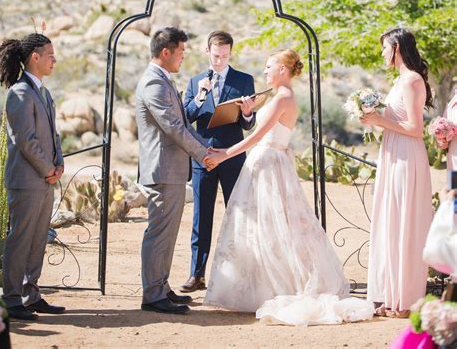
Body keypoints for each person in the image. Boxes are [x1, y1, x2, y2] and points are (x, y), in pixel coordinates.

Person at [204, 50, 374, 325]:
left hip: (268, 162)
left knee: (273, 227)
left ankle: (278, 286)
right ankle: (261, 287)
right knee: (265, 227)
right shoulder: (280, 96)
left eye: (269, 66)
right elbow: (260, 132)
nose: (265, 71)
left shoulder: (283, 97)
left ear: (283, 69)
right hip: (269, 160)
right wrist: (248, 112)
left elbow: (258, 137)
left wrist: (224, 154)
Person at [135, 26, 216, 315]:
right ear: (166, 52)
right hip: (161, 170)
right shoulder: (154, 84)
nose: (183, 57)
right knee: (159, 234)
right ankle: (152, 295)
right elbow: (173, 127)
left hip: (170, 170)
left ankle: (161, 287)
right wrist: (205, 153)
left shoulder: (163, 80)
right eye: (181, 51)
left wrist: (204, 150)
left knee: (167, 234)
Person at [358, 27, 434, 318]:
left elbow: (416, 129)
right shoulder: (400, 80)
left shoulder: (412, 80)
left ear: (397, 48)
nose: (382, 53)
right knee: (391, 223)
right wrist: (373, 119)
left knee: (405, 224)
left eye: (384, 47)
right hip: (392, 153)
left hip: (406, 157)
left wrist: (380, 120)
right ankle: (390, 295)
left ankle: (405, 300)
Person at [0, 33, 65, 322]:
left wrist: (58, 163)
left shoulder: (44, 93)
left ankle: (31, 294)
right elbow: (26, 140)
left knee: (38, 240)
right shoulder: (20, 93)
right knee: (20, 241)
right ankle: (12, 299)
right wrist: (47, 169)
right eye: (49, 54)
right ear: (34, 57)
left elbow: (53, 134)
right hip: (27, 180)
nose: (54, 58)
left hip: (45, 179)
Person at [180, 30, 255, 293]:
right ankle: (196, 274)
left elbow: (248, 125)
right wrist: (200, 95)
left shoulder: (244, 80)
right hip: (203, 158)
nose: (220, 61)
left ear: (230, 53)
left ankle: (239, 274)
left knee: (237, 214)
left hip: (233, 157)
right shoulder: (194, 81)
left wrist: (247, 114)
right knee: (202, 217)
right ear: (207, 52)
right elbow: (186, 117)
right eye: (215, 56)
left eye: (224, 56)